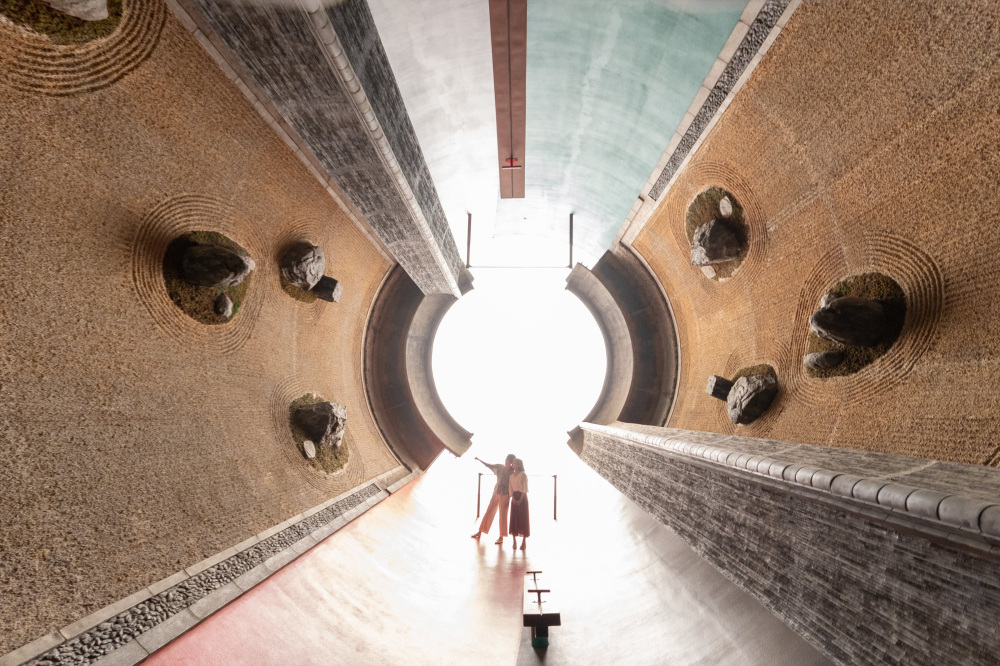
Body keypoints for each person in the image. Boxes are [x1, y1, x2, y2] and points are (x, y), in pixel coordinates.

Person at [471, 454, 515, 545]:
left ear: (511, 463)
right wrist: (479, 460)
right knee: (489, 511)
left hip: (505, 495)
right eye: (506, 459)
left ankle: (501, 537)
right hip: (496, 492)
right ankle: (480, 532)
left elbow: (513, 486)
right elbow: (489, 465)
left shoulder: (513, 472)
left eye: (508, 460)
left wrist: (510, 498)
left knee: (503, 516)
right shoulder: (500, 467)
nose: (506, 461)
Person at [508, 458, 530, 550]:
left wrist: (520, 499)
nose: (512, 465)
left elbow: (525, 488)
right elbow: (510, 488)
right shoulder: (511, 476)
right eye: (512, 463)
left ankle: (524, 542)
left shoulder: (523, 475)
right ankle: (514, 541)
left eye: (514, 463)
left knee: (523, 518)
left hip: (522, 497)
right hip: (514, 497)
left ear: (519, 465)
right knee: (514, 518)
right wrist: (513, 497)